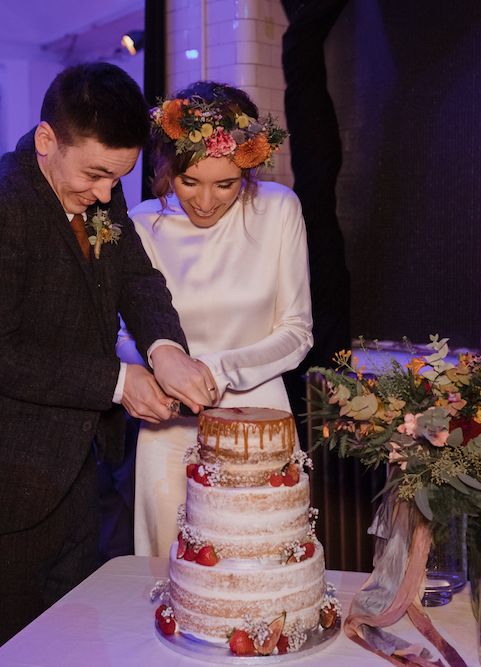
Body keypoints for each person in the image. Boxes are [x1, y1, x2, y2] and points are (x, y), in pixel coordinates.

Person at [0, 62, 216, 644]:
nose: (105, 195)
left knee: (73, 633)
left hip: (82, 467)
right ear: (47, 140)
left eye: (117, 180)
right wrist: (119, 382)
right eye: (96, 175)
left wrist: (167, 349)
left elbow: (137, 278)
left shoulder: (99, 188)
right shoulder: (6, 205)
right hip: (13, 476)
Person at [116, 81, 313, 557]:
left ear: (247, 166)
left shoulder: (279, 209)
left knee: (261, 567)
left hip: (261, 422)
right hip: (168, 429)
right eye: (189, 182)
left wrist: (215, 372)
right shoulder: (142, 224)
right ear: (165, 169)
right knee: (171, 578)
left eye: (225, 184)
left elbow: (297, 331)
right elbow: (124, 336)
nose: (205, 201)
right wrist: (157, 369)